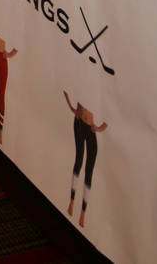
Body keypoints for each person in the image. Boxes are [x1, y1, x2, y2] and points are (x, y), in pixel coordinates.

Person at [62, 91, 108, 228]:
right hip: (78, 123)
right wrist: (71, 106)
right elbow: (65, 87)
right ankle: (71, 201)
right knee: (79, 161)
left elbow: (110, 117)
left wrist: (99, 128)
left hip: (90, 128)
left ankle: (82, 213)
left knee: (89, 170)